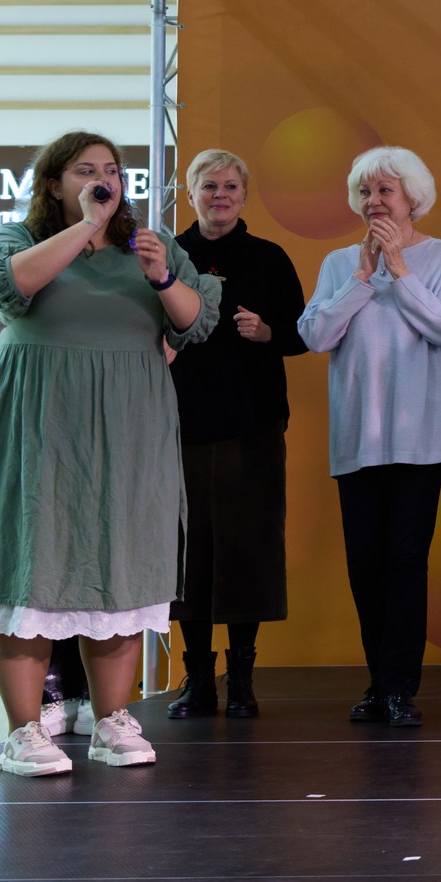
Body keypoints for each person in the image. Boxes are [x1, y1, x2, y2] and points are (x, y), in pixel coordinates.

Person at [0, 133, 219, 777]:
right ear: (54, 183)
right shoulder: (20, 238)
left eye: (113, 170)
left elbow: (194, 322)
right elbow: (9, 285)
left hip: (129, 426)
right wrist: (88, 227)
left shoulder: (150, 245)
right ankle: (24, 731)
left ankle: (112, 719)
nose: (105, 179)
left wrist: (162, 275)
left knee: (122, 562)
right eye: (86, 170)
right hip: (39, 424)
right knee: (29, 561)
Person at [298, 146, 441, 730]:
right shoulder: (339, 262)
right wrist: (362, 278)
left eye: (385, 190)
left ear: (412, 198)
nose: (374, 201)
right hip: (357, 441)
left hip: (421, 441)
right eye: (366, 191)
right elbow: (315, 334)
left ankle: (399, 687)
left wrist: (398, 269)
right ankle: (378, 683)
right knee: (365, 566)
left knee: (405, 561)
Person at [165, 148, 307, 721]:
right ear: (190, 193)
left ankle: (241, 680)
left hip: (253, 423)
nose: (219, 196)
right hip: (179, 427)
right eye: (209, 186)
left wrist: (268, 332)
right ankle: (198, 680)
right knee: (188, 554)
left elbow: (302, 333)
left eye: (229, 187)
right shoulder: (168, 256)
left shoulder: (269, 258)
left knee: (248, 550)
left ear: (244, 196)